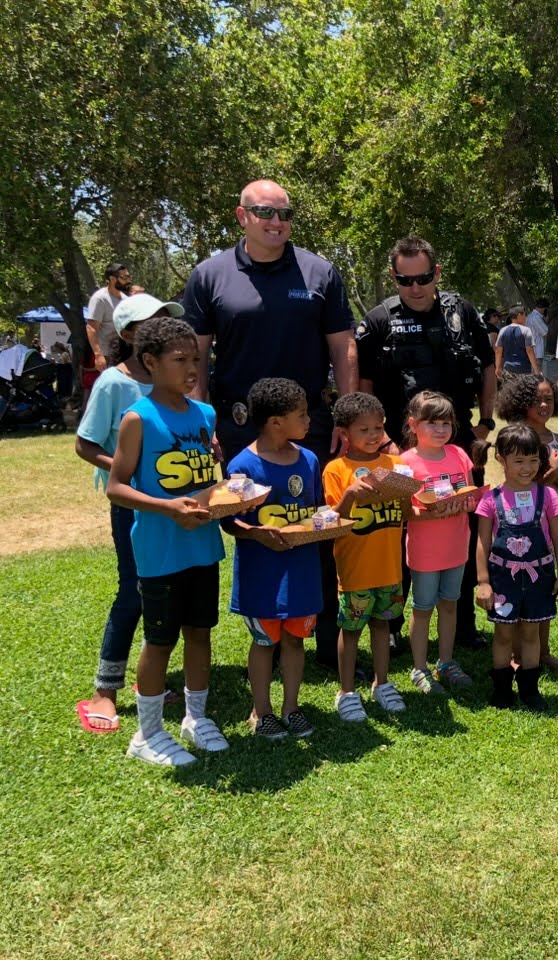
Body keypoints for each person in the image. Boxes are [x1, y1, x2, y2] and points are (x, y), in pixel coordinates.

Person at [183, 178, 357, 673]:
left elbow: (342, 345)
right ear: (242, 216)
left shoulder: (320, 272)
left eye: (284, 213)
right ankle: (265, 639)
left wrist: (344, 411)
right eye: (264, 212)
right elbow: (194, 353)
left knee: (316, 527)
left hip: (310, 427)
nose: (275, 222)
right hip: (238, 429)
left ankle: (321, 643)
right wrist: (203, 419)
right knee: (250, 528)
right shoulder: (210, 274)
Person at [354, 235, 497, 654]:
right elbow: (364, 387)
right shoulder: (379, 320)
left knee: (463, 526)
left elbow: (488, 368)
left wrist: (485, 425)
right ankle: (396, 625)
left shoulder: (462, 312)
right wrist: (382, 443)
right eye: (404, 279)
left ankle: (463, 624)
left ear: (436, 273)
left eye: (422, 278)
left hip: (460, 443)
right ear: (394, 277)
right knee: (401, 535)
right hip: (401, 450)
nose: (414, 287)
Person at [106, 316, 229, 767]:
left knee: (200, 632)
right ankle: (147, 733)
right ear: (150, 363)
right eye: (180, 360)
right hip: (160, 549)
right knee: (160, 640)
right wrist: (168, 507)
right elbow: (116, 486)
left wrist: (222, 488)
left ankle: (195, 718)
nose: (192, 368)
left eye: (195, 359)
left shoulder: (205, 413)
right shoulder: (138, 417)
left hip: (203, 545)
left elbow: (206, 476)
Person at [73, 295, 164, 733]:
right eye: (154, 321)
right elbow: (86, 444)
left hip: (174, 504)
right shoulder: (114, 382)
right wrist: (127, 469)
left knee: (169, 587)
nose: (165, 325)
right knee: (134, 590)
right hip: (130, 505)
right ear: (129, 335)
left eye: (168, 318)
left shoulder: (179, 382)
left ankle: (154, 676)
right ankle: (105, 690)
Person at [222, 378, 323, 740]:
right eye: (301, 414)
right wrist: (255, 533)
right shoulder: (242, 465)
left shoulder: (309, 460)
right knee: (264, 642)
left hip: (302, 571)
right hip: (262, 575)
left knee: (296, 641)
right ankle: (261, 711)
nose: (309, 419)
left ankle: (291, 708)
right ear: (276, 422)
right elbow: (228, 521)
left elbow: (317, 511)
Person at [322, 392, 408, 722]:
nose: (373, 436)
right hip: (355, 567)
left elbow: (405, 515)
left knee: (383, 624)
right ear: (344, 433)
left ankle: (382, 683)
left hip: (389, 565)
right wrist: (349, 496)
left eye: (378, 428)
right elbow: (329, 520)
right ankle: (346, 691)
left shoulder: (394, 465)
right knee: (351, 629)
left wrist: (403, 494)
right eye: (363, 429)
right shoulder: (336, 469)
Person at [475, 424, 558, 712]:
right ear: (501, 460)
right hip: (503, 579)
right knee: (504, 635)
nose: (527, 468)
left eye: (533, 460)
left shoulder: (549, 496)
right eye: (518, 461)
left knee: (531, 634)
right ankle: (502, 690)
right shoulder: (490, 499)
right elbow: (481, 544)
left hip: (540, 576)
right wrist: (483, 582)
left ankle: (530, 690)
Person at [496, 374, 558, 674]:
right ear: (521, 403)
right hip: (522, 526)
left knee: (544, 588)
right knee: (519, 588)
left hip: (554, 523)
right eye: (537, 400)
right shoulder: (517, 439)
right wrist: (553, 471)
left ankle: (543, 651)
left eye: (549, 399)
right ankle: (517, 652)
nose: (544, 405)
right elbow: (521, 488)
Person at [399, 390, 476, 696]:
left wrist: (466, 504)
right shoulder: (405, 462)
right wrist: (431, 513)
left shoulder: (459, 454)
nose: (440, 429)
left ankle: (446, 662)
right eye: (432, 422)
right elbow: (406, 513)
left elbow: (470, 495)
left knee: (450, 604)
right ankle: (419, 668)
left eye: (446, 422)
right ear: (413, 424)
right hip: (425, 551)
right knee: (422, 608)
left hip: (457, 546)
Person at [85, 262, 132, 374]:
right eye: (124, 277)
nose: (128, 280)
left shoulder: (125, 299)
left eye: (128, 276)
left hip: (124, 353)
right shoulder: (100, 299)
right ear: (112, 279)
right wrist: (98, 355)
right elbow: (91, 328)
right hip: (107, 356)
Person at [494, 305, 538, 378]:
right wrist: (536, 370)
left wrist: (498, 367)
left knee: (510, 388)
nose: (526, 317)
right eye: (524, 315)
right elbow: (529, 350)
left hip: (508, 367)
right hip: (523, 367)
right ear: (519, 315)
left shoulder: (502, 330)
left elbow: (498, 351)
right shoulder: (526, 330)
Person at [526, 297, 555, 381]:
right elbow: (546, 332)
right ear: (544, 308)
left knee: (535, 376)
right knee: (537, 376)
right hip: (537, 352)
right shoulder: (536, 318)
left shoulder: (531, 316)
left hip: (534, 350)